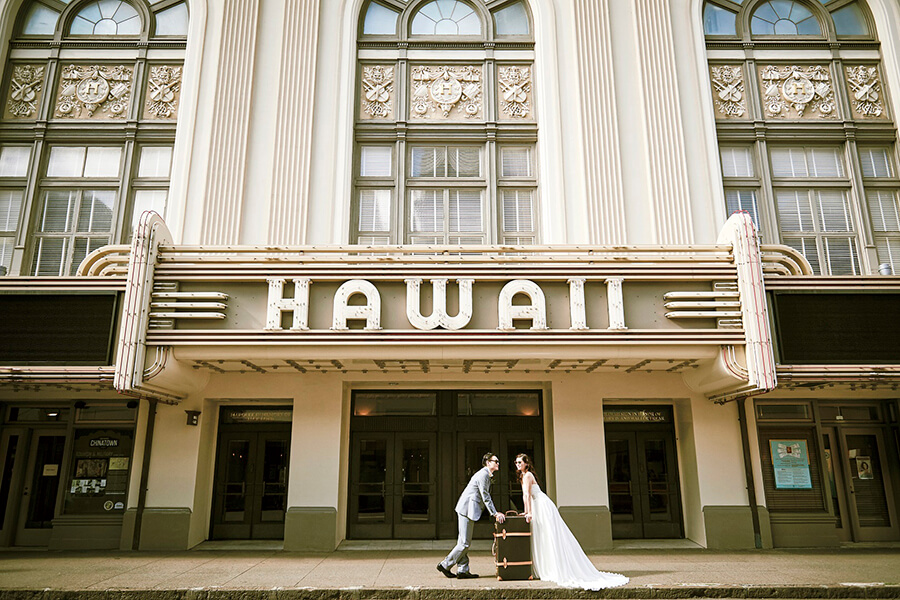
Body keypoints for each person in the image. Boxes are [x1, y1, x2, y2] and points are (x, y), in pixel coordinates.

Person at [516, 453, 628, 590]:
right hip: (536, 505)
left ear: (526, 464)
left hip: (541, 505)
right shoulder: (523, 476)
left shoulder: (527, 475)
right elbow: (525, 496)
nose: (518, 465)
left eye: (520, 462)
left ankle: (554, 567)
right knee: (542, 536)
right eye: (516, 463)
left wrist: (529, 512)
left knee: (548, 535)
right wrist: (527, 511)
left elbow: (527, 495)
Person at [438, 451, 506, 579]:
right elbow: (485, 496)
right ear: (487, 463)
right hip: (466, 509)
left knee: (463, 541)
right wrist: (495, 513)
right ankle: (445, 564)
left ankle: (463, 570)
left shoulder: (485, 474)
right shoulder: (483, 475)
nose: (498, 463)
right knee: (464, 543)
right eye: (495, 461)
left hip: (467, 508)